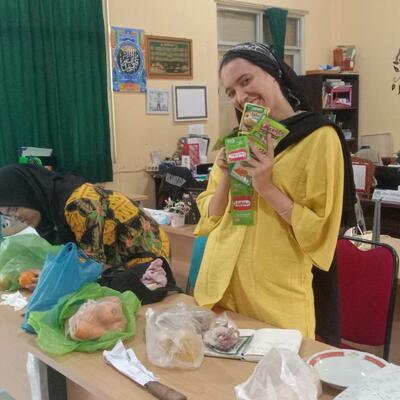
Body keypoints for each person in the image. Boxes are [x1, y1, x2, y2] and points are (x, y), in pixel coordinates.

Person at [193, 43, 356, 340]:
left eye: (245, 81)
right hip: (219, 287)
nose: (241, 97)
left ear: (273, 74)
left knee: (276, 368)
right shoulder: (239, 139)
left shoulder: (319, 138)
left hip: (275, 296)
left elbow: (322, 229)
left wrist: (266, 187)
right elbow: (209, 217)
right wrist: (227, 178)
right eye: (231, 92)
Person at [0, 164, 169, 269]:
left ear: (28, 194)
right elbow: (72, 256)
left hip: (147, 265)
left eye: (14, 209)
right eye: (7, 215)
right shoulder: (51, 204)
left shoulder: (78, 205)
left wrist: (52, 278)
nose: (17, 217)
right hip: (116, 261)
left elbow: (92, 266)